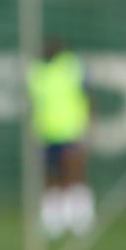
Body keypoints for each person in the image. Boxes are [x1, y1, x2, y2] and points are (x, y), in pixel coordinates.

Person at [28, 38, 95, 238]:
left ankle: (80, 217)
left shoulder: (72, 66)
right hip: (47, 133)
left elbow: (87, 95)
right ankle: (52, 220)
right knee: (51, 176)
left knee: (73, 173)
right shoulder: (36, 71)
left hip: (72, 130)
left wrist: (90, 124)